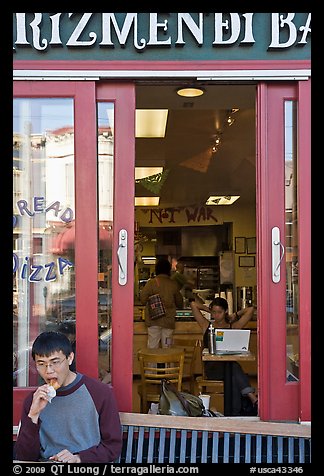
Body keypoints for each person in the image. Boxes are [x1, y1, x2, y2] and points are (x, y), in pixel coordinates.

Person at [14, 331, 122, 463]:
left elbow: (113, 447)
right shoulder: (34, 400)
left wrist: (79, 458)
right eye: (41, 364)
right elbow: (24, 458)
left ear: (70, 358)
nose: (49, 370)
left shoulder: (99, 393)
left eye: (55, 362)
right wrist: (33, 415)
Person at [190, 297, 258, 416]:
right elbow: (193, 305)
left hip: (229, 368)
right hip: (212, 369)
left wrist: (235, 314)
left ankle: (242, 406)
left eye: (219, 312)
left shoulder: (233, 326)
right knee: (233, 366)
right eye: (214, 312)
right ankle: (252, 397)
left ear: (226, 311)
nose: (216, 315)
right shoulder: (207, 326)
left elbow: (250, 310)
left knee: (231, 366)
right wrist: (208, 309)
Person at [140, 258, 184, 349]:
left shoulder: (151, 283)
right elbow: (180, 303)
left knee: (152, 346)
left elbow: (143, 300)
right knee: (168, 346)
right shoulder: (173, 284)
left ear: (157, 269)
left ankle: (152, 363)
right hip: (168, 322)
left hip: (153, 321)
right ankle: (168, 363)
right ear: (168, 270)